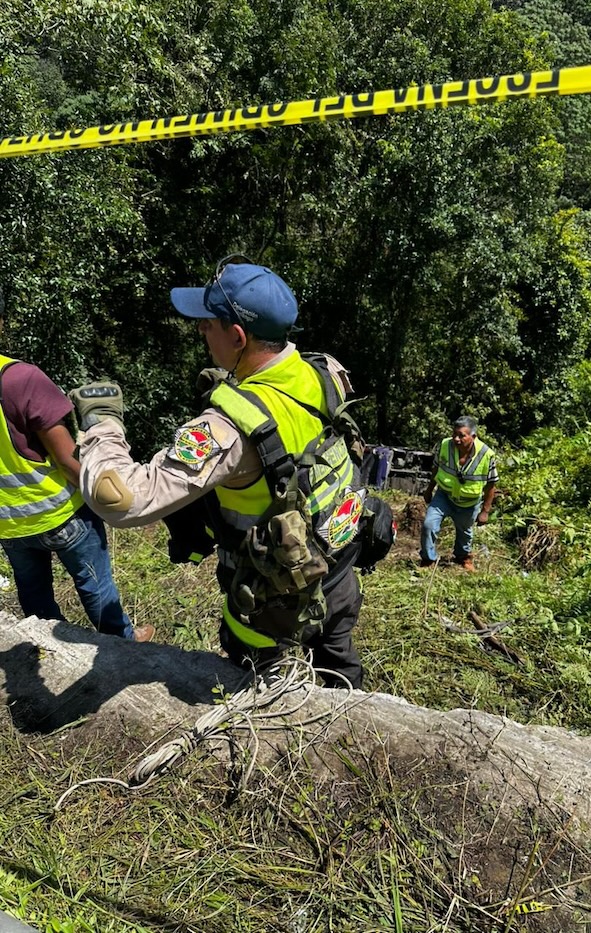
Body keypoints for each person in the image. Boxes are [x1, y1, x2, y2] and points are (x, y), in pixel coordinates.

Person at [73, 258, 366, 688]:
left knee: (264, 693)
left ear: (238, 336)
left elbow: (121, 498)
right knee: (340, 668)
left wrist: (102, 425)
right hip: (337, 573)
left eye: (207, 323)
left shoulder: (229, 428)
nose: (200, 331)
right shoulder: (324, 372)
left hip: (268, 607)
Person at [0, 287, 152, 641]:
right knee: (95, 587)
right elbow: (68, 459)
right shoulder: (20, 379)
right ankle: (123, 645)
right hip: (62, 512)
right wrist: (106, 497)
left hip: (9, 525)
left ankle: (49, 654)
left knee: (36, 601)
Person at [420, 416, 498, 571]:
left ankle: (463, 558)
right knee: (429, 525)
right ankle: (428, 559)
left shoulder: (486, 454)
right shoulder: (444, 445)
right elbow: (435, 468)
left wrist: (485, 511)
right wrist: (429, 490)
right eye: (454, 434)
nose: (456, 439)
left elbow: (491, 485)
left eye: (462, 435)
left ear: (473, 437)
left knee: (465, 533)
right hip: (444, 495)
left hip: (469, 503)